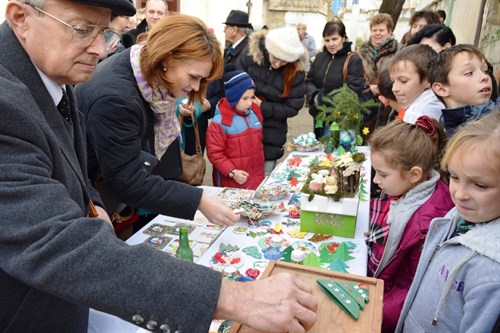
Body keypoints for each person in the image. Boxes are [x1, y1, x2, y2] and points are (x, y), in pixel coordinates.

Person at [0, 2, 318, 332]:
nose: (99, 49)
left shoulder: (55, 70)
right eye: (81, 29)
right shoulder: (13, 103)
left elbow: (70, 160)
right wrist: (238, 298)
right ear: (22, 18)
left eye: (106, 32)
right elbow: (58, 241)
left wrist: (91, 202)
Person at [396, 112, 500, 333]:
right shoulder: (457, 217)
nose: (460, 194)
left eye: (480, 185)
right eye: (454, 177)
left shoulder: (491, 272)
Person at [367, 116, 454, 333]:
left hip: (390, 307)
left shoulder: (429, 222)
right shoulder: (409, 191)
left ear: (414, 174)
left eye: (383, 174)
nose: (376, 180)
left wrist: (374, 310)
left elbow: (416, 288)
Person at [237, 26, 308, 175]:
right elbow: (234, 82)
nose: (277, 64)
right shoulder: (249, 55)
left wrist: (263, 106)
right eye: (275, 58)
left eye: (284, 62)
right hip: (242, 127)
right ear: (269, 48)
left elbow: (293, 107)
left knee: (265, 180)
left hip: (272, 133)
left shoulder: (296, 71)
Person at [306, 19, 366, 138]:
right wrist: (315, 96)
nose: (330, 44)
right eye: (327, 40)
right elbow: (308, 81)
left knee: (337, 153)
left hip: (339, 118)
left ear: (343, 38)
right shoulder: (319, 57)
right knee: (319, 150)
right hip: (318, 116)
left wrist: (323, 100)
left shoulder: (353, 60)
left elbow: (353, 90)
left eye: (334, 39)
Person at [206, 67, 265, 189]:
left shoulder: (255, 113)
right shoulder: (219, 122)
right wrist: (232, 172)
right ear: (233, 97)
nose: (249, 103)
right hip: (232, 182)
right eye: (245, 98)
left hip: (256, 179)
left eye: (252, 97)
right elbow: (215, 154)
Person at [428, 44, 498, 137]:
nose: (484, 77)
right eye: (469, 73)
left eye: (485, 71)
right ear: (442, 89)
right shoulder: (440, 136)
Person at [389, 44, 444, 124]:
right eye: (393, 81)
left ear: (428, 80)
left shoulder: (420, 114)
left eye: (403, 81)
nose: (394, 88)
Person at [358, 13, 401, 98]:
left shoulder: (400, 51)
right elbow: (355, 76)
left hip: (390, 98)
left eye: (381, 30)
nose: (377, 33)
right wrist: (368, 88)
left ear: (389, 32)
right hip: (366, 99)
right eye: (374, 30)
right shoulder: (361, 52)